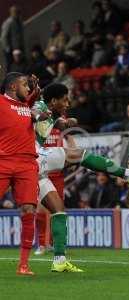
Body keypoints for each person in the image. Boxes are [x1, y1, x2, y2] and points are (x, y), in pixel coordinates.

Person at [32, 83, 129, 271]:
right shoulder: (39, 107)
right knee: (79, 154)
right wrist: (40, 113)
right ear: (53, 100)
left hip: (36, 166)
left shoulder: (53, 112)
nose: (68, 102)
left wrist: (66, 123)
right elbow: (33, 115)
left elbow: (57, 122)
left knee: (58, 208)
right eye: (65, 99)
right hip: (30, 158)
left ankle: (59, 261)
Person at [0, 72, 41, 275]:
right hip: (3, 161)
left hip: (27, 163)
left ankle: (23, 265)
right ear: (13, 87)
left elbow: (32, 97)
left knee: (28, 210)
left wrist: (35, 91)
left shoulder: (27, 106)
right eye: (25, 84)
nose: (28, 87)